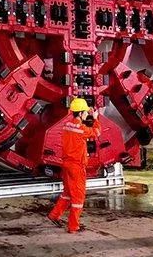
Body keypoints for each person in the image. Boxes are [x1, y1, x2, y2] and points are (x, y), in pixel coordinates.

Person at [47, 97, 101, 233]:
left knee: (67, 192)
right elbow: (96, 133)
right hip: (77, 165)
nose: (87, 114)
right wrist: (95, 119)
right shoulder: (81, 129)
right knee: (78, 196)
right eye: (85, 112)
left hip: (66, 163)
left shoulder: (67, 125)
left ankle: (54, 215)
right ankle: (73, 226)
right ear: (81, 113)